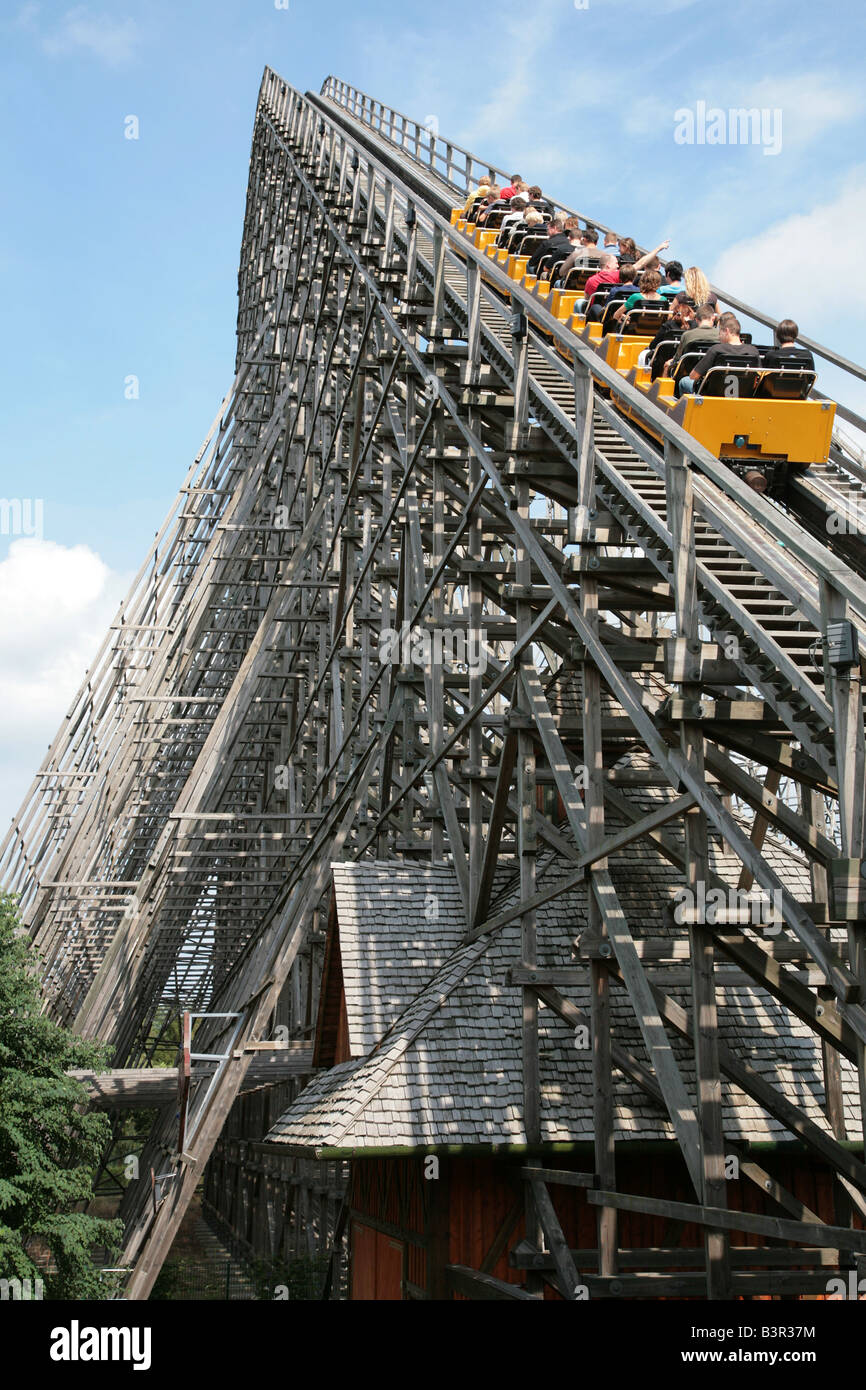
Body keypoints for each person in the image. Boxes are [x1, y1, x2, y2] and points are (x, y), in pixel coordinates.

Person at [678, 312, 759, 395]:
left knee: (684, 381)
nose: (719, 337)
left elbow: (693, 376)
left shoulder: (716, 349)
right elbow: (757, 380)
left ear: (727, 331)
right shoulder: (753, 351)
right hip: (743, 395)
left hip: (713, 395)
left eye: (720, 333)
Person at [667, 303, 719, 378]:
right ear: (713, 318)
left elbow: (677, 359)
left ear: (696, 320)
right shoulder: (720, 336)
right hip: (712, 377)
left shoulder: (687, 335)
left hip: (690, 375)